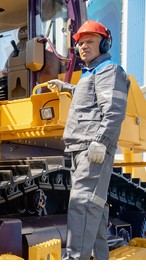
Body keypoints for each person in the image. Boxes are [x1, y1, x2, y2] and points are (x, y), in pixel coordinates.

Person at [47, 20, 130, 260]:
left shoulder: (109, 70)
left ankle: (75, 263)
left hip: (90, 148)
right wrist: (65, 87)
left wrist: (101, 142)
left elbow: (113, 110)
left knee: (82, 205)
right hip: (80, 149)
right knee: (95, 207)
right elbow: (89, 95)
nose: (83, 47)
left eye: (90, 42)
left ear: (104, 43)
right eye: (80, 44)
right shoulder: (90, 74)